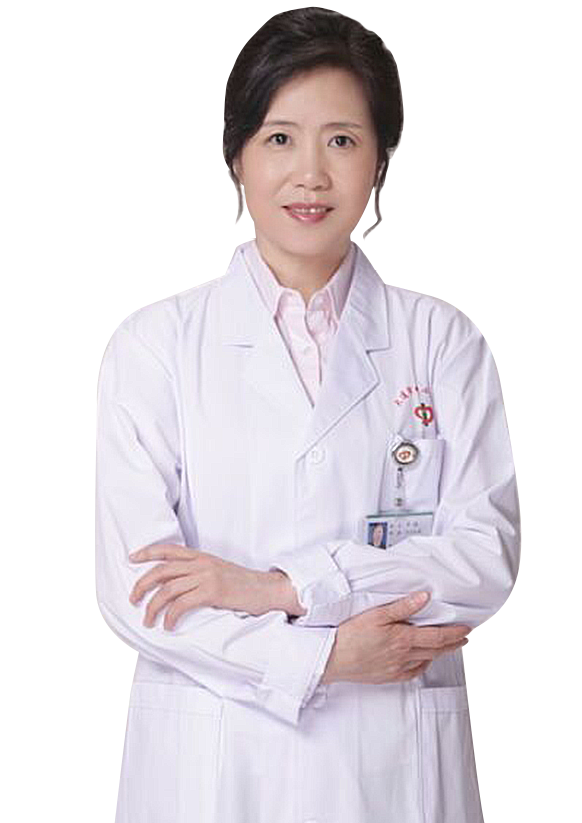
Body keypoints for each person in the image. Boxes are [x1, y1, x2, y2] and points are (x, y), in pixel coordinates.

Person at [96, 7, 520, 822]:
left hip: (391, 761)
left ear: (381, 158)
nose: (311, 174)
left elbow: (484, 557)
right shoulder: (156, 346)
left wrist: (283, 587)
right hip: (217, 764)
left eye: (343, 140)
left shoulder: (443, 342)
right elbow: (140, 590)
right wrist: (324, 655)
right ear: (237, 156)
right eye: (280, 139)